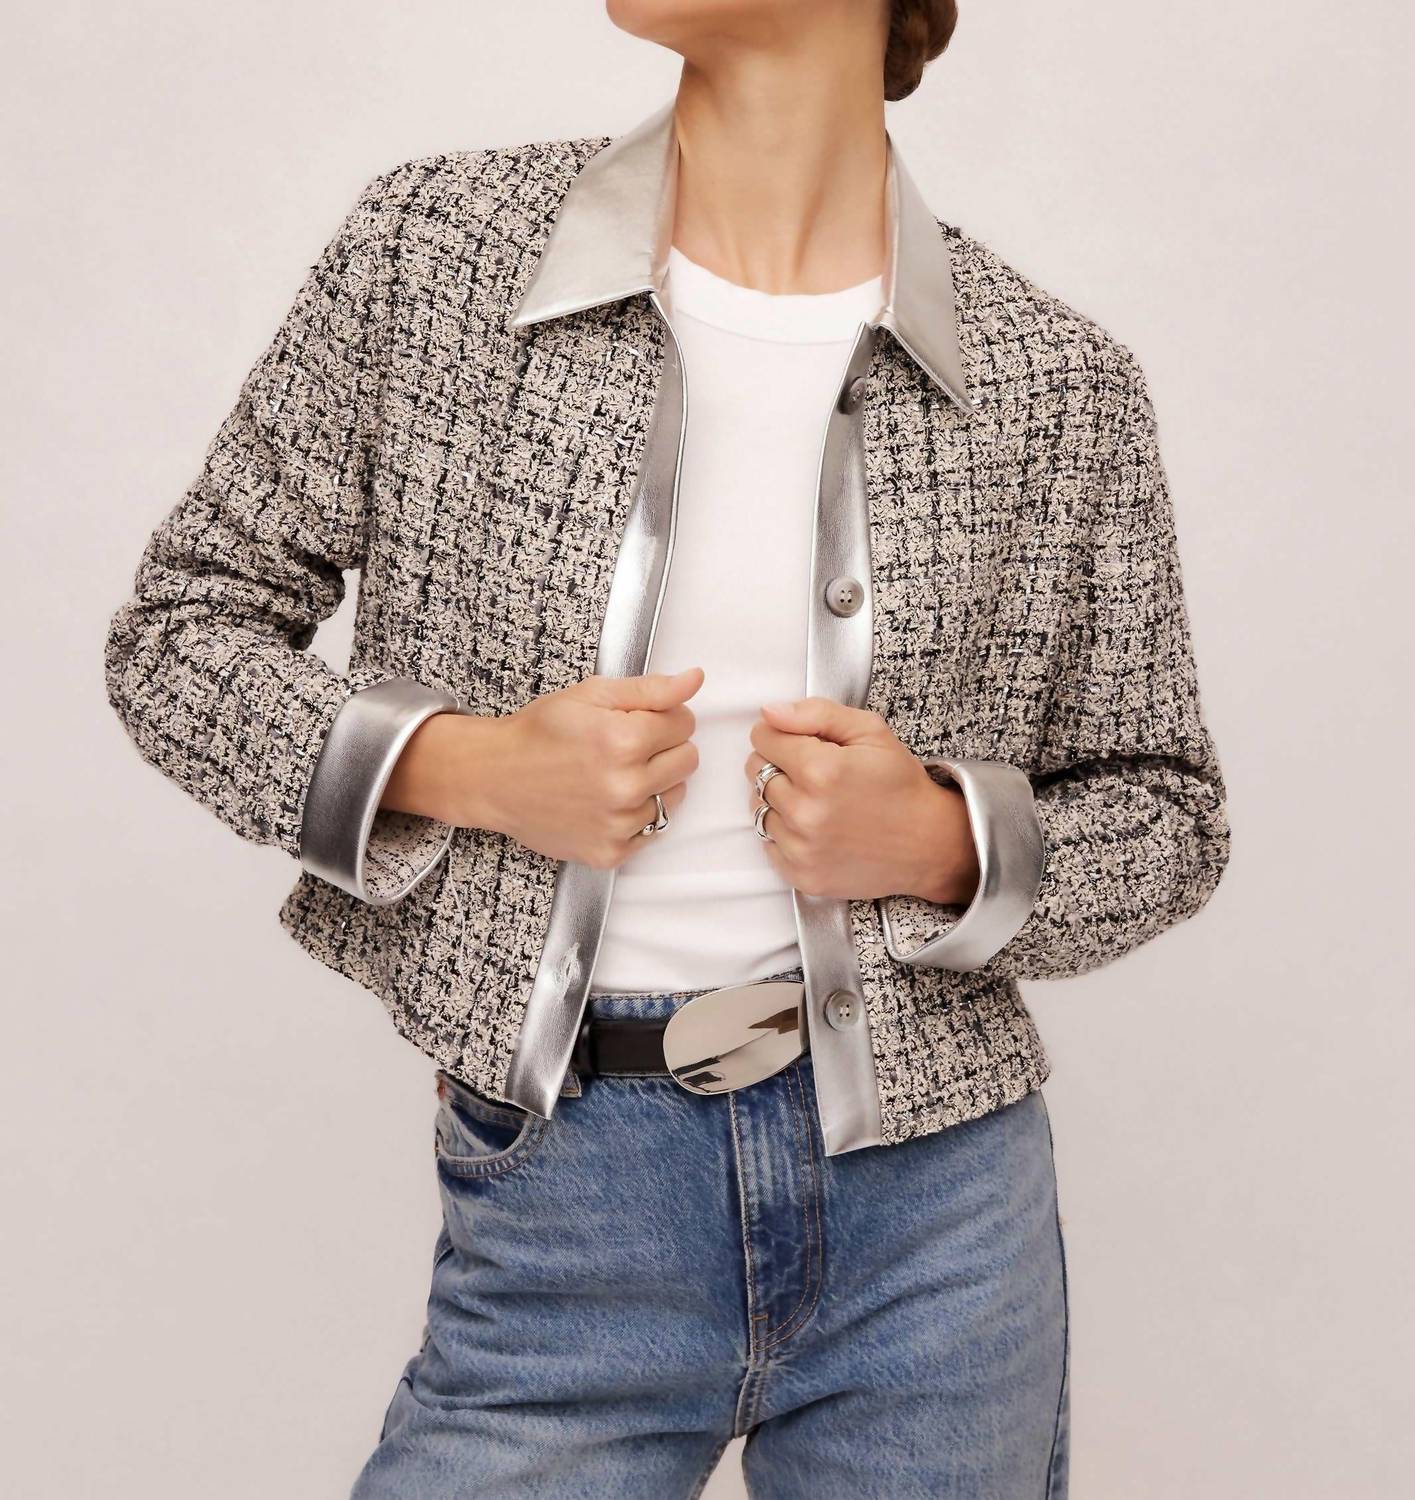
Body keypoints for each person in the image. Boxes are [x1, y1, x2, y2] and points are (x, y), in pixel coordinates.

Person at [103, 1, 1230, 1495]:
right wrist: (470, 767)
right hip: (570, 1199)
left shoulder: (1057, 382)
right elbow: (180, 633)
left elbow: (1167, 813)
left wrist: (940, 840)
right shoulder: (434, 255)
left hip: (944, 1226)